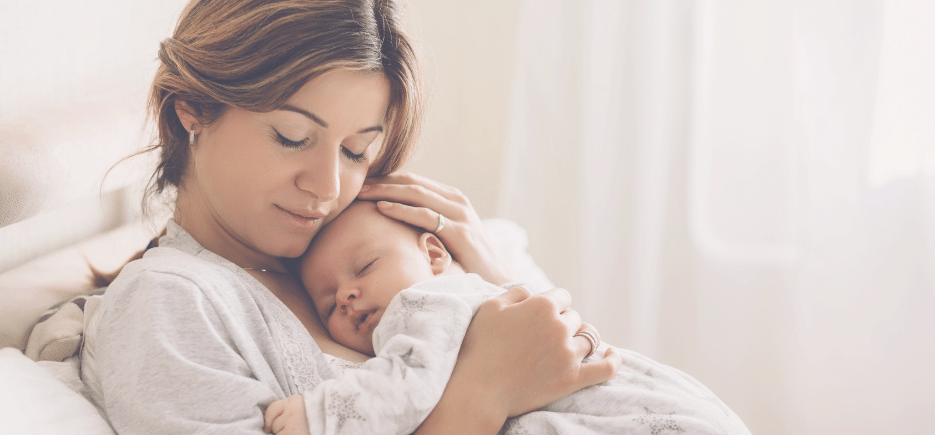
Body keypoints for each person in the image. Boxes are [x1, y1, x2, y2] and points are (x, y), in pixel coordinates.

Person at [80, 0, 619, 434]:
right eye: (292, 138)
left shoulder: (362, 250)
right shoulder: (168, 302)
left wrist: (489, 278)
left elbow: (581, 378)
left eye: (357, 151)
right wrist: (482, 393)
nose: (328, 187)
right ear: (192, 107)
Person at [263, 200, 752, 435]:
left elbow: (403, 383)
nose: (346, 297)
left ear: (435, 255)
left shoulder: (429, 303)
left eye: (364, 268)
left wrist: (319, 413)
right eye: (328, 303)